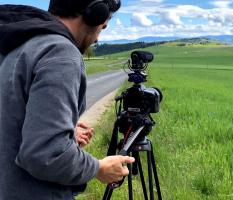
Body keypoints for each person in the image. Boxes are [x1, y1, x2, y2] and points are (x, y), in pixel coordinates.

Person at [0, 0, 135, 199]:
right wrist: (98, 168)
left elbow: (10, 117)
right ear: (95, 15)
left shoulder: (18, 44)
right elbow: (45, 154)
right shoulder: (61, 53)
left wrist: (64, 132)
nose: (98, 38)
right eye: (103, 26)